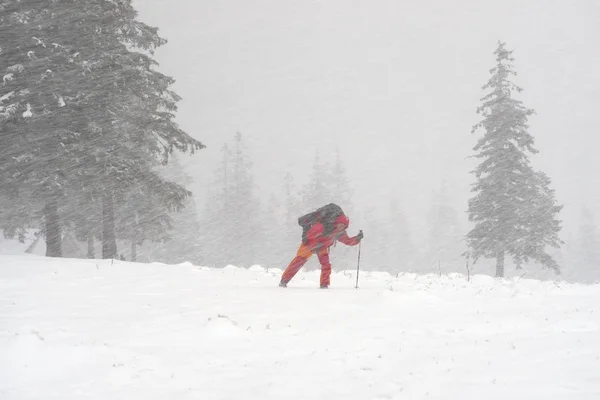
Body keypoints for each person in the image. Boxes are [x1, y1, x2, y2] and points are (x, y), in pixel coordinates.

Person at [280, 205, 363, 288]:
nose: (341, 228)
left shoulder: (339, 232)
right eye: (341, 225)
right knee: (298, 262)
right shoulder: (323, 224)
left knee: (326, 265)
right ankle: (284, 281)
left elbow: (347, 241)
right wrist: (309, 240)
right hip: (309, 243)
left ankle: (324, 284)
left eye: (344, 227)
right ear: (337, 222)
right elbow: (310, 231)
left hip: (322, 246)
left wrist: (357, 239)